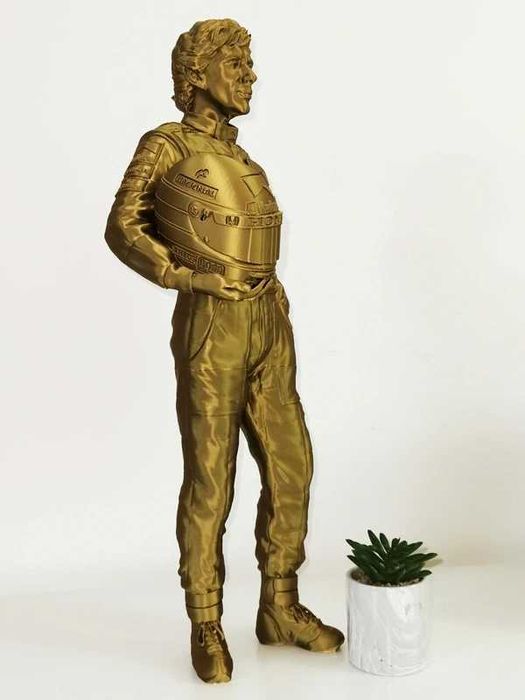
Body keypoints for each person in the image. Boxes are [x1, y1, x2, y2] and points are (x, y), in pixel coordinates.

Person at [104, 18, 344, 684]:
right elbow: (122, 225)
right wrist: (185, 278)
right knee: (213, 477)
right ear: (197, 73)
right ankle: (205, 620)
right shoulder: (164, 145)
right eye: (235, 63)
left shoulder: (238, 155)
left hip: (268, 319)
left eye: (248, 63)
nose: (249, 75)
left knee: (293, 465)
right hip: (213, 319)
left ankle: (280, 606)